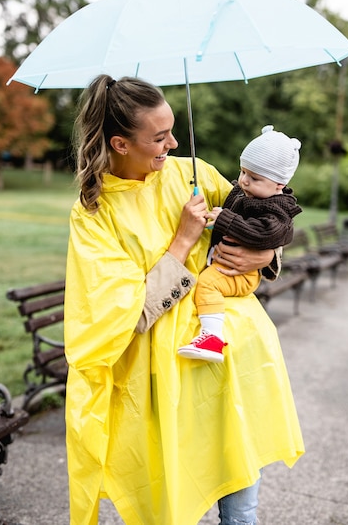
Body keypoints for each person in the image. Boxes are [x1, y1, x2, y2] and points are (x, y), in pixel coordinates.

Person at [64, 74, 304, 525]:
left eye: (173, 129)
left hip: (231, 358)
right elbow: (124, 315)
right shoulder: (95, 214)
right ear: (119, 143)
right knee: (175, 496)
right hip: (164, 381)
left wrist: (267, 251)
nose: (173, 143)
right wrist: (183, 241)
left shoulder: (190, 172)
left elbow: (265, 214)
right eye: (159, 137)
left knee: (240, 500)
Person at [178, 125, 302, 363]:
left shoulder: (276, 208)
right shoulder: (246, 193)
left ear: (279, 184)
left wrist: (226, 219)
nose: (243, 181)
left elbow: (266, 233)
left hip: (244, 274)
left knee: (207, 284)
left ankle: (212, 338)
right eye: (243, 171)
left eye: (254, 177)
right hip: (231, 264)